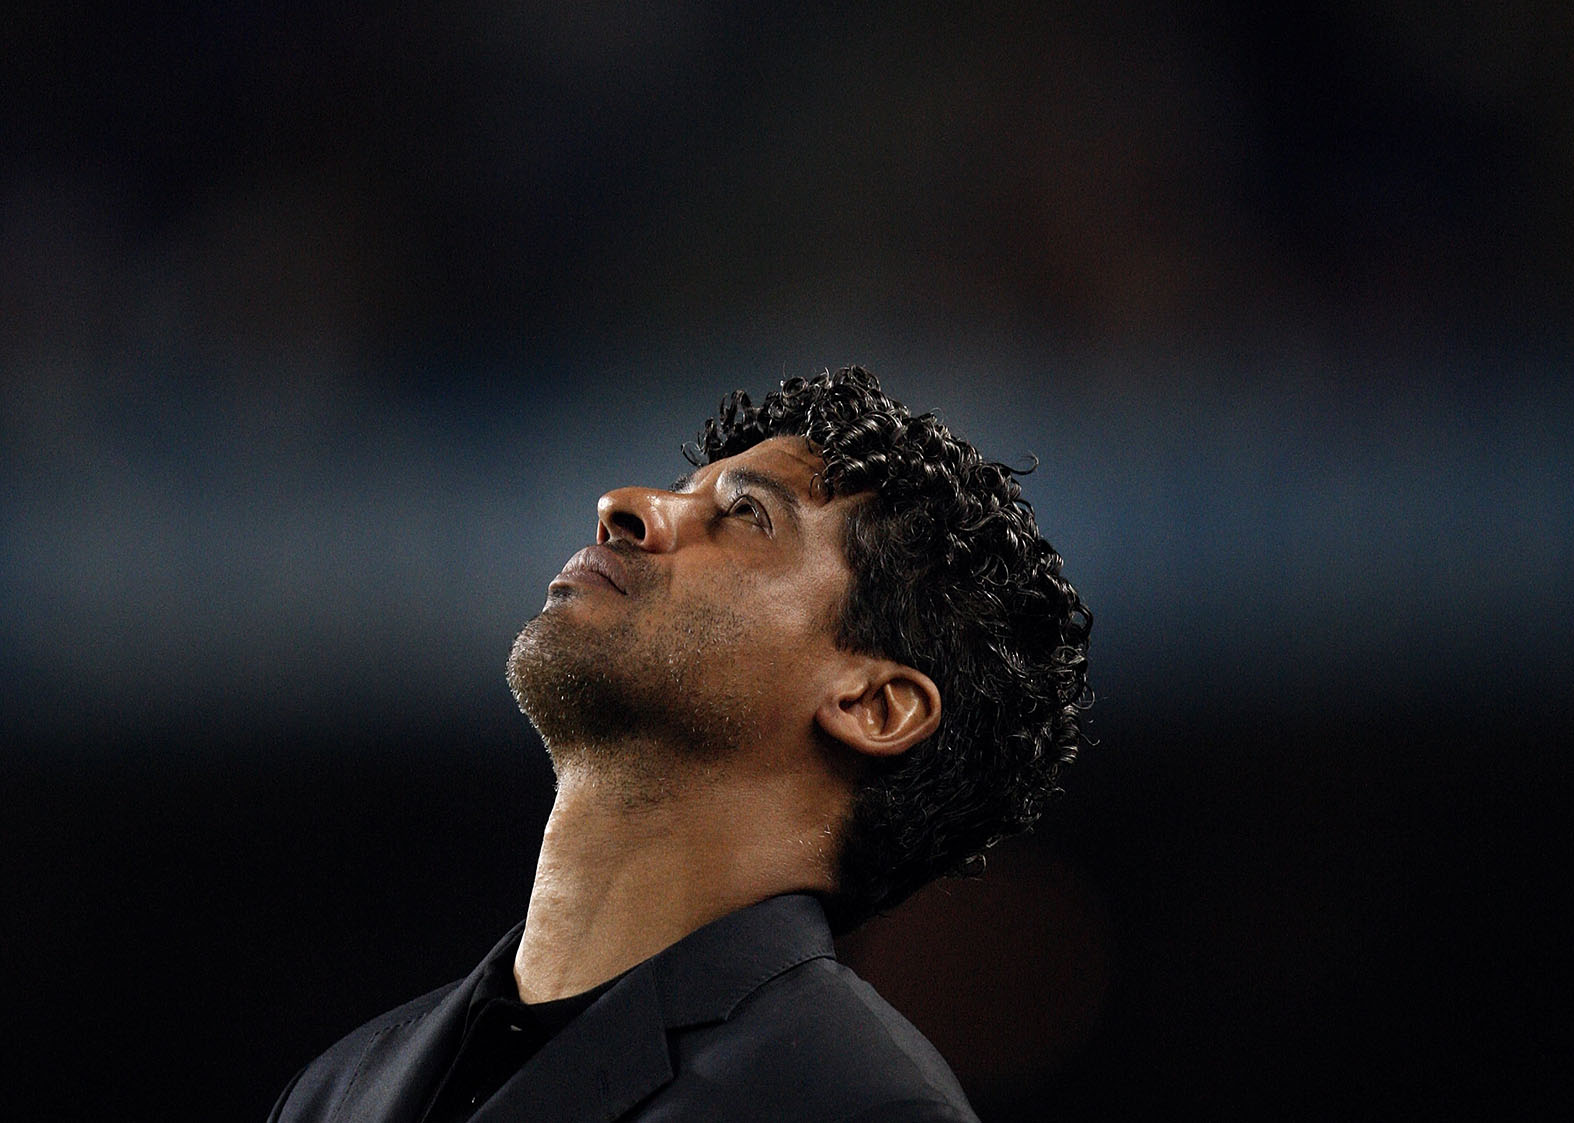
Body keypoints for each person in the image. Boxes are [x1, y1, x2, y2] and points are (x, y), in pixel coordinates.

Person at [269, 366, 1093, 1122]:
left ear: (873, 704)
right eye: (683, 489)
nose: (625, 504)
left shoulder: (854, 1102)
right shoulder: (339, 1090)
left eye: (744, 514)